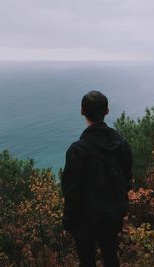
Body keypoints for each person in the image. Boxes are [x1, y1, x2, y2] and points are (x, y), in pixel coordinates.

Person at [62, 91, 133, 267]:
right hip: (113, 214)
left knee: (87, 261)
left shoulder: (77, 150)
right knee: (111, 257)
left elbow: (71, 192)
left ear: (81, 111)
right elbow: (127, 177)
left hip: (85, 220)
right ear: (107, 111)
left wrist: (68, 222)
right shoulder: (121, 143)